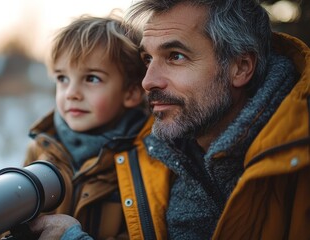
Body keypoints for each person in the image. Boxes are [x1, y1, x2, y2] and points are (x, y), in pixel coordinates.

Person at [26, 0, 310, 239]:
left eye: (175, 56)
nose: (147, 81)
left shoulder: (298, 164)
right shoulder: (164, 154)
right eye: (148, 59)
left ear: (241, 67)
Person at [14, 13, 151, 239]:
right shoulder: (41, 150)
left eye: (92, 79)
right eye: (62, 78)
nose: (71, 93)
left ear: (131, 92)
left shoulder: (145, 160)